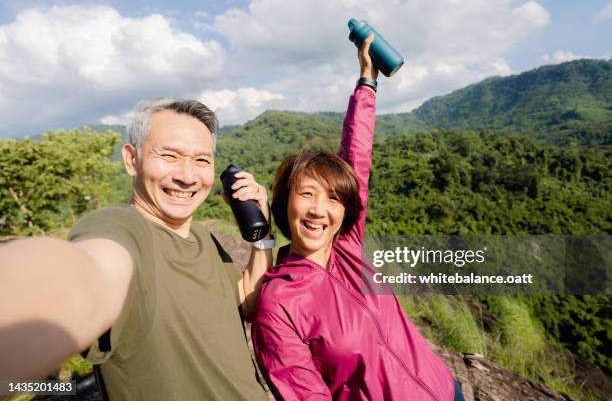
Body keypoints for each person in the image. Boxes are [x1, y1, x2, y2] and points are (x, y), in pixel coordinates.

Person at [0, 98, 272, 400]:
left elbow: (247, 302)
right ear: (131, 159)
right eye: (169, 156)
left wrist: (262, 235)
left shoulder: (203, 236)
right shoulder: (122, 227)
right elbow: (88, 272)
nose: (187, 175)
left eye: (202, 160)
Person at [251, 35, 463, 400]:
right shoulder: (279, 301)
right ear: (285, 203)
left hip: (446, 388)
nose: (319, 209)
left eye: (333, 198)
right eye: (306, 194)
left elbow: (356, 159)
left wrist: (368, 79)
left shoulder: (347, 247)